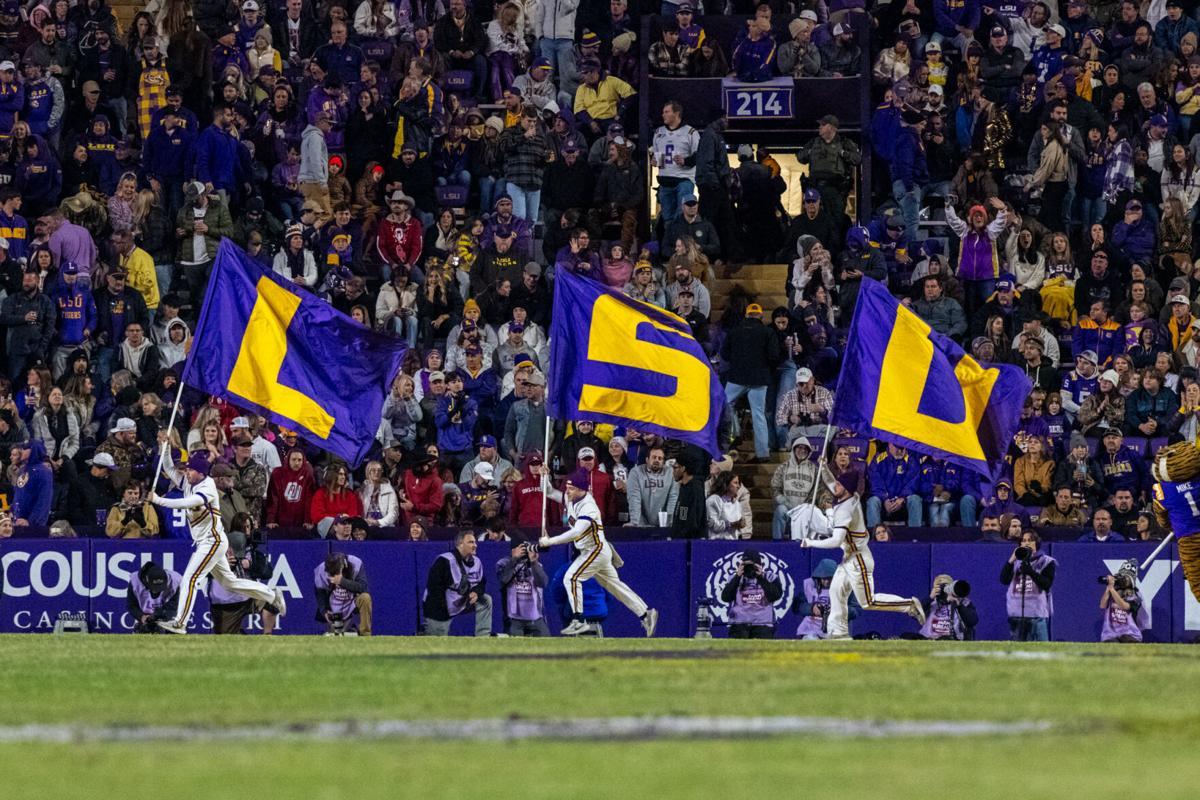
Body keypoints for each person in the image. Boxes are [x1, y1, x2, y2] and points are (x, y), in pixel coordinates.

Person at [148, 445, 287, 634]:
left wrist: (159, 500)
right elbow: (171, 470)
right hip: (210, 541)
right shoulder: (190, 481)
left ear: (200, 472)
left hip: (211, 541)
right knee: (230, 582)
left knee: (190, 578)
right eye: (187, 469)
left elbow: (189, 502)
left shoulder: (208, 488)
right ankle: (271, 594)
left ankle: (180, 623)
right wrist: (164, 450)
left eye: (190, 470)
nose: (186, 472)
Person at [538, 467, 658, 636]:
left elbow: (575, 532)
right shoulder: (572, 497)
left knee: (571, 578)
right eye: (567, 487)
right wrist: (545, 477)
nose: (567, 491)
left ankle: (578, 620)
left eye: (571, 488)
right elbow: (549, 492)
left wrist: (550, 541)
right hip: (596, 550)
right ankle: (646, 613)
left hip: (595, 550)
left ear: (582, 489)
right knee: (615, 586)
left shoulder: (589, 507)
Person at [800, 477, 925, 638]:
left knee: (867, 602)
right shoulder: (847, 499)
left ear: (847, 489)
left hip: (858, 559)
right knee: (836, 591)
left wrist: (811, 542)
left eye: (839, 484)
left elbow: (836, 541)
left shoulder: (846, 509)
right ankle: (839, 633)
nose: (834, 486)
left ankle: (909, 605)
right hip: (849, 557)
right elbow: (833, 483)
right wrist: (823, 467)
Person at [422, 530, 493, 636]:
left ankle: (483, 638)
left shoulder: (476, 561)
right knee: (437, 642)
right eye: (471, 542)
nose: (475, 545)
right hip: (439, 604)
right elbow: (434, 589)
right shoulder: (445, 560)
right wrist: (442, 615)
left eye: (475, 542)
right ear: (460, 544)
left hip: (461, 600)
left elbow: (481, 583)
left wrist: (476, 592)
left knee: (486, 600)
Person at [1000, 530, 1056, 641]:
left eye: (1030, 540)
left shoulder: (1047, 561)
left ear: (1036, 543)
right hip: (1016, 614)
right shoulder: (1015, 562)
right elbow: (1004, 580)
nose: (1027, 543)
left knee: (1042, 651)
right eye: (1024, 541)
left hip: (1037, 614)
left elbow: (1046, 584)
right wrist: (1011, 560)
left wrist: (1030, 571)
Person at [719, 549, 782, 639]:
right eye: (746, 565)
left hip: (763, 624)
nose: (749, 568)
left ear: (760, 565)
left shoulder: (770, 577)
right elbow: (725, 597)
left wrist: (760, 577)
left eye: (752, 565)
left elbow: (776, 596)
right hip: (739, 623)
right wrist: (737, 576)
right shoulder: (735, 577)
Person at [495, 538, 550, 636]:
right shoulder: (503, 563)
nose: (524, 551)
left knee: (548, 646)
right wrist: (514, 559)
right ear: (513, 550)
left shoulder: (536, 565)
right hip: (514, 618)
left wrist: (534, 563)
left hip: (535, 617)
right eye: (521, 548)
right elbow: (504, 579)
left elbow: (543, 583)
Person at [315, 552, 372, 635]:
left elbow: (364, 588)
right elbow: (319, 593)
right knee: (336, 635)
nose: (333, 576)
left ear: (343, 566)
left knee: (365, 598)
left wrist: (342, 581)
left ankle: (365, 634)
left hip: (351, 601)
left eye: (336, 573)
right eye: (331, 574)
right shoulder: (321, 570)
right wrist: (324, 611)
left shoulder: (356, 563)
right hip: (333, 604)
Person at [625, 444, 677, 527]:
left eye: (660, 458)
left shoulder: (670, 473)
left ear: (663, 462)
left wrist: (670, 522)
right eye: (654, 457)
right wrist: (635, 522)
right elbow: (634, 498)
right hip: (641, 525)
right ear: (647, 459)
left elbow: (673, 498)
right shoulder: (636, 472)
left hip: (664, 524)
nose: (657, 460)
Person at [915, 574, 978, 641]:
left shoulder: (963, 602)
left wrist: (959, 605)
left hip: (952, 638)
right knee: (906, 636)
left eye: (946, 586)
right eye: (940, 587)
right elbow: (914, 613)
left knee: (944, 639)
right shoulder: (931, 602)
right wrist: (929, 598)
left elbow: (973, 621)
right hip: (928, 638)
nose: (943, 590)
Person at [126, 562, 181, 633]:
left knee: (177, 629)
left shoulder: (174, 580)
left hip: (166, 614)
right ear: (146, 580)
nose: (158, 590)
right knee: (143, 629)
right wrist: (141, 617)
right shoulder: (135, 582)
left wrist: (158, 616)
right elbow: (131, 605)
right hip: (144, 616)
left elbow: (174, 606)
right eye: (155, 587)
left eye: (161, 587)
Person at [1099, 564, 1148, 643]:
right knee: (1111, 646)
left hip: (1130, 634)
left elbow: (1125, 606)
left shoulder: (1136, 595)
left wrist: (1111, 589)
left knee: (1129, 642)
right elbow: (1102, 605)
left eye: (1126, 578)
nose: (1123, 581)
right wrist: (1108, 589)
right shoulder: (1113, 590)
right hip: (1110, 634)